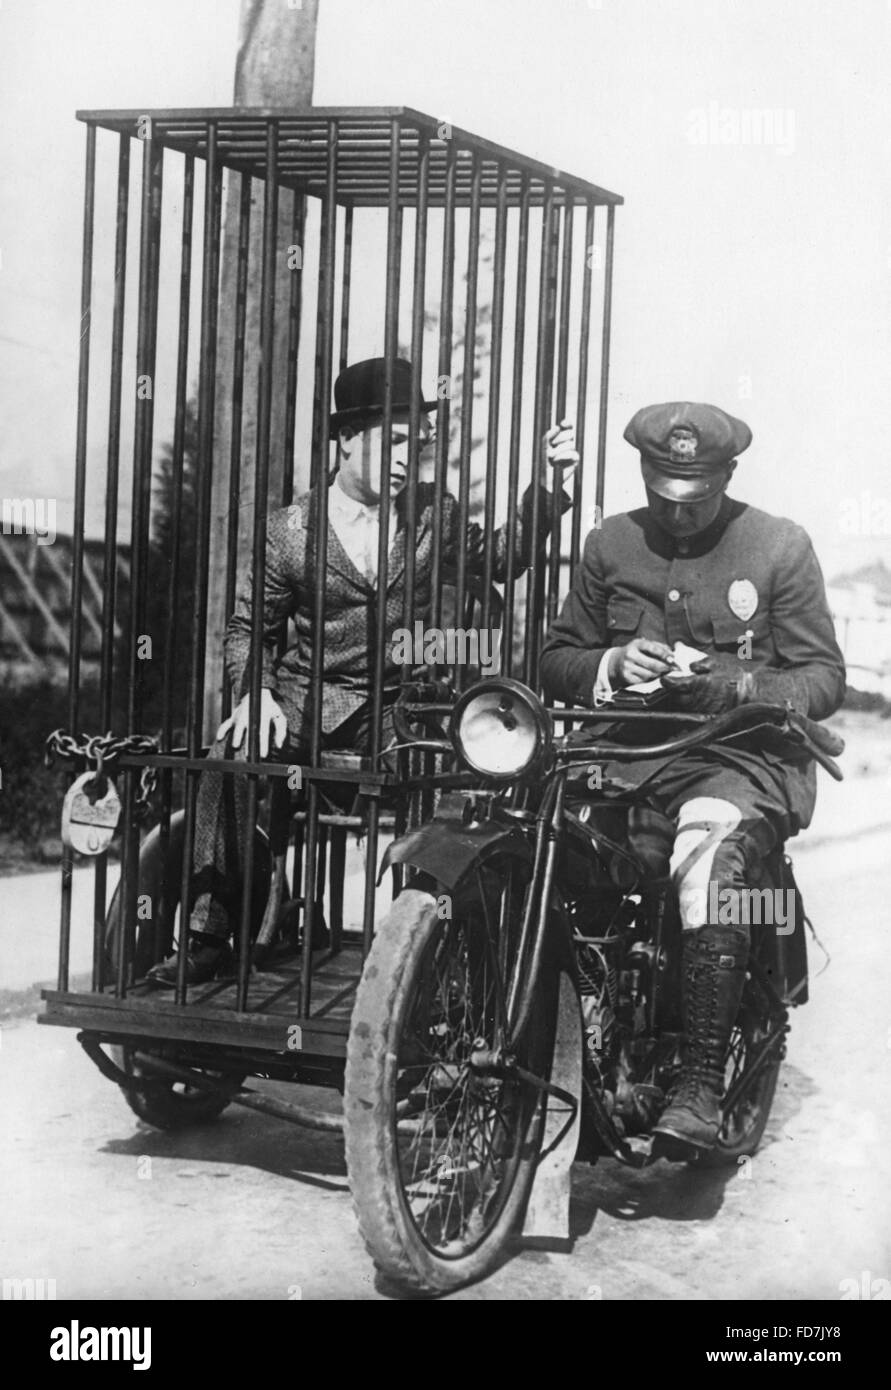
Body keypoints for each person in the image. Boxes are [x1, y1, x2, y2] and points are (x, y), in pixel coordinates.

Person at [149, 356, 576, 985]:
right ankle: (209, 934)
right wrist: (256, 695)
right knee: (229, 750)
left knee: (439, 763)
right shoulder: (289, 532)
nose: (407, 460)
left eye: (415, 444)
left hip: (398, 705)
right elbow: (249, 630)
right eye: (393, 441)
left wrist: (553, 483)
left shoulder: (435, 513)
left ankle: (421, 938)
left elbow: (503, 558)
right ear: (347, 440)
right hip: (305, 700)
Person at [540, 401, 845, 1158]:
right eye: (662, 493)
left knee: (705, 860)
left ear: (726, 476)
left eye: (696, 497)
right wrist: (610, 665)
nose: (677, 516)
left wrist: (732, 687)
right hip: (626, 758)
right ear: (644, 471)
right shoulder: (610, 542)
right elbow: (554, 659)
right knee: (542, 842)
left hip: (738, 759)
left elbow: (822, 678)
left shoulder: (777, 546)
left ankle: (698, 1086)